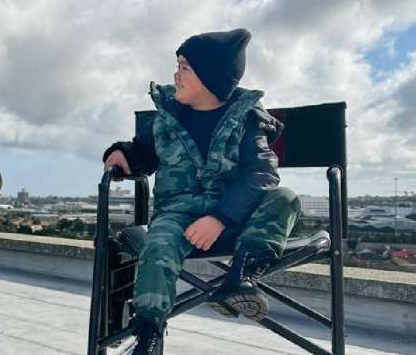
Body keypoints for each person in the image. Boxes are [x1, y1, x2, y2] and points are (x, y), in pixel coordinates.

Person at [103, 29, 300, 354]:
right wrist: (124, 154)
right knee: (158, 244)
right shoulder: (168, 116)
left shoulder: (247, 119)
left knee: (286, 198)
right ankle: (148, 333)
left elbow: (261, 173)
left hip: (235, 221)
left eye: (184, 68)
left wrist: (220, 218)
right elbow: (143, 151)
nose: (176, 75)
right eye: (177, 66)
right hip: (179, 217)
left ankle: (241, 277)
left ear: (211, 78)